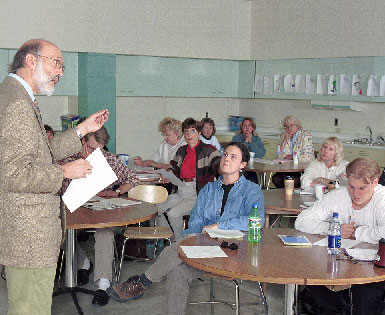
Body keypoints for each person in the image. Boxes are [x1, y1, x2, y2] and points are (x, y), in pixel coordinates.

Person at [0, 39, 109, 315]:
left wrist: (82, 130)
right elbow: (13, 174)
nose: (60, 72)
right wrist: (64, 171)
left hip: (30, 235)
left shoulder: (18, 96)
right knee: (29, 310)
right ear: (31, 61)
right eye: (56, 63)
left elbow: (41, 152)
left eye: (63, 65)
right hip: (28, 237)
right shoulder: (15, 103)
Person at [107, 142, 265, 315]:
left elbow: (256, 220)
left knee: (179, 252)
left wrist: (220, 225)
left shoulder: (251, 190)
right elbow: (196, 222)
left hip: (233, 252)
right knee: (177, 269)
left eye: (233, 156)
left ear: (243, 165)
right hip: (206, 249)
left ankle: (143, 282)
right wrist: (186, 242)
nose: (226, 158)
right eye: (225, 154)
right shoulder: (208, 190)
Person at [59, 124, 139, 306]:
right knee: (59, 232)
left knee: (105, 233)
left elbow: (133, 179)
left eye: (101, 150)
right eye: (94, 149)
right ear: (83, 143)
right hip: (74, 210)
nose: (98, 154)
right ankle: (84, 263)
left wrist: (118, 192)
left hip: (100, 211)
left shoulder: (108, 159)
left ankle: (103, 285)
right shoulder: (69, 161)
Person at [295, 158, 385, 315]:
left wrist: (357, 232)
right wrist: (332, 228)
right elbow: (301, 221)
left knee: (365, 299)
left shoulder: (382, 199)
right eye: (351, 186)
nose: (355, 194)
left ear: (375, 182)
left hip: (376, 268)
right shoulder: (339, 195)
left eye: (362, 188)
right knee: (314, 289)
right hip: (342, 262)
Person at [156, 117, 221, 240]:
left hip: (197, 194)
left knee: (173, 213)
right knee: (157, 209)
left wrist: (222, 169)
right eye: (186, 132)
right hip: (180, 189)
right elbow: (173, 167)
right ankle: (170, 238)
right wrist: (168, 174)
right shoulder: (181, 150)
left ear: (199, 133)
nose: (188, 135)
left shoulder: (208, 150)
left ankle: (180, 243)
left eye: (192, 131)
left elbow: (217, 164)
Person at [272, 115, 314, 188]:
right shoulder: (285, 136)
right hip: (288, 169)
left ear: (298, 126)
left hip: (302, 170)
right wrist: (284, 141)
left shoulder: (306, 136)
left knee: (294, 181)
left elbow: (308, 157)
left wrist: (292, 157)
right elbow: (279, 156)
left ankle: (291, 196)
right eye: (286, 126)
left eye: (291, 125)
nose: (288, 129)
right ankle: (285, 196)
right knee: (276, 178)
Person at [231, 117, 265, 184]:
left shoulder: (257, 139)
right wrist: (246, 141)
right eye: (244, 125)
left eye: (249, 125)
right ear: (242, 127)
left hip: (252, 168)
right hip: (238, 168)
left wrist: (251, 142)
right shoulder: (236, 138)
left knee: (253, 180)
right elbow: (236, 152)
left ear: (253, 128)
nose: (247, 127)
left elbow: (260, 154)